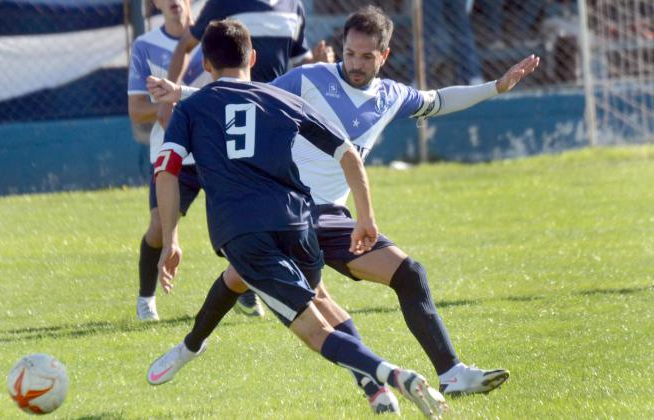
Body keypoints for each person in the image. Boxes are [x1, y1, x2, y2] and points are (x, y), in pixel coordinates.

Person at [146, 5, 539, 403]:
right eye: (350, 53)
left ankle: (448, 373)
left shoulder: (392, 96)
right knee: (270, 287)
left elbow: (438, 100)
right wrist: (182, 93)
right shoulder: (309, 79)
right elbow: (245, 97)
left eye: (366, 56)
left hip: (327, 217)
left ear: (383, 56)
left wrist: (495, 87)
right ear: (343, 47)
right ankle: (197, 346)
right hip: (292, 206)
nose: (355, 63)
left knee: (405, 274)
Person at [164, 0, 333, 316]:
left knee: (272, 193)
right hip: (231, 114)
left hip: (275, 114)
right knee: (243, 187)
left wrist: (318, 62)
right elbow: (187, 44)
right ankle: (253, 275)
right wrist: (173, 93)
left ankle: (255, 276)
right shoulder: (224, 3)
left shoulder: (293, 7)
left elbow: (299, 61)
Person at [127, 0, 212, 321]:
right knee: (160, 228)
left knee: (239, 223)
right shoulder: (145, 46)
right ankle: (146, 298)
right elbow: (137, 109)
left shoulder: (213, 35)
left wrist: (182, 98)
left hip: (214, 149)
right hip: (170, 150)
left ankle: (244, 291)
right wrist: (164, 105)